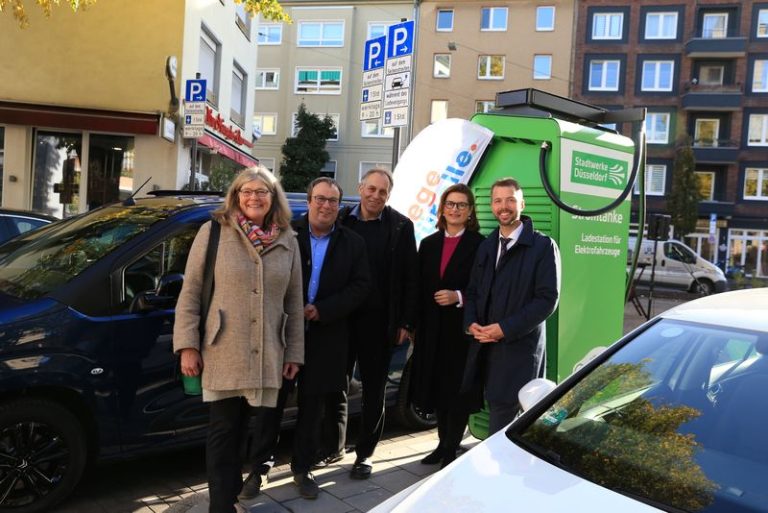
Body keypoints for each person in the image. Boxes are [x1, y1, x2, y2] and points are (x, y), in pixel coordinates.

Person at [174, 166, 304, 513]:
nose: (254, 197)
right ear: (236, 196)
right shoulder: (214, 232)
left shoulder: (287, 239)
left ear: (273, 198)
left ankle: (232, 495)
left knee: (251, 427)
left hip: (268, 349)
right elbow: (191, 292)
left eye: (262, 191)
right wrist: (187, 344)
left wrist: (294, 351)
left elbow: (293, 300)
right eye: (247, 191)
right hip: (223, 348)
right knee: (223, 430)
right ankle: (221, 505)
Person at [334, 168, 418, 479]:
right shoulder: (342, 219)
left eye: (382, 192)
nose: (375, 196)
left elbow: (412, 278)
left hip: (381, 324)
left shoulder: (400, 226)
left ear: (388, 196)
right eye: (371, 189)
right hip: (341, 321)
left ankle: (365, 454)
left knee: (374, 391)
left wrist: (407, 321)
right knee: (336, 387)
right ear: (360, 188)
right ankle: (333, 446)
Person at [289, 177, 371, 498]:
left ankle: (302, 467)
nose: (326, 206)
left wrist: (322, 310)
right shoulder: (287, 235)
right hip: (283, 334)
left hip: (327, 334)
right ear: (309, 201)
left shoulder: (352, 243)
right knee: (271, 405)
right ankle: (259, 466)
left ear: (339, 207)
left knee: (312, 406)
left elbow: (361, 287)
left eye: (333, 201)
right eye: (320, 199)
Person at [463, 177, 561, 435]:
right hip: (484, 349)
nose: (503, 206)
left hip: (518, 352)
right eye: (497, 201)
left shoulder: (542, 247)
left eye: (510, 200)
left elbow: (547, 300)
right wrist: (470, 322)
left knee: (506, 424)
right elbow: (472, 291)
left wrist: (504, 329)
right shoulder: (486, 246)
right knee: (495, 413)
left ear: (522, 203)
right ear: (491, 205)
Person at [412, 184, 484, 468]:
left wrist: (459, 296)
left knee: (459, 392)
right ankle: (442, 445)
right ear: (442, 209)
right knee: (438, 390)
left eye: (462, 205)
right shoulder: (428, 244)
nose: (455, 209)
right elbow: (418, 286)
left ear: (469, 212)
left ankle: (452, 449)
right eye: (450, 204)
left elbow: (484, 288)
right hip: (432, 330)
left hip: (462, 330)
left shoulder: (480, 244)